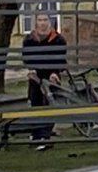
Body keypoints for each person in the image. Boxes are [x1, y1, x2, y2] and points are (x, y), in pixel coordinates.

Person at [21, 13, 67, 145]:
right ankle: (36, 134)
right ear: (36, 22)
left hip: (51, 76)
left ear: (49, 22)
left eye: (45, 20)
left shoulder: (58, 39)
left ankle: (45, 135)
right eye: (40, 20)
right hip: (36, 76)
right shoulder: (29, 40)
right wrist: (31, 70)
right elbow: (26, 58)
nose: (42, 23)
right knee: (35, 103)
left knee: (50, 103)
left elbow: (61, 59)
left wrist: (55, 73)